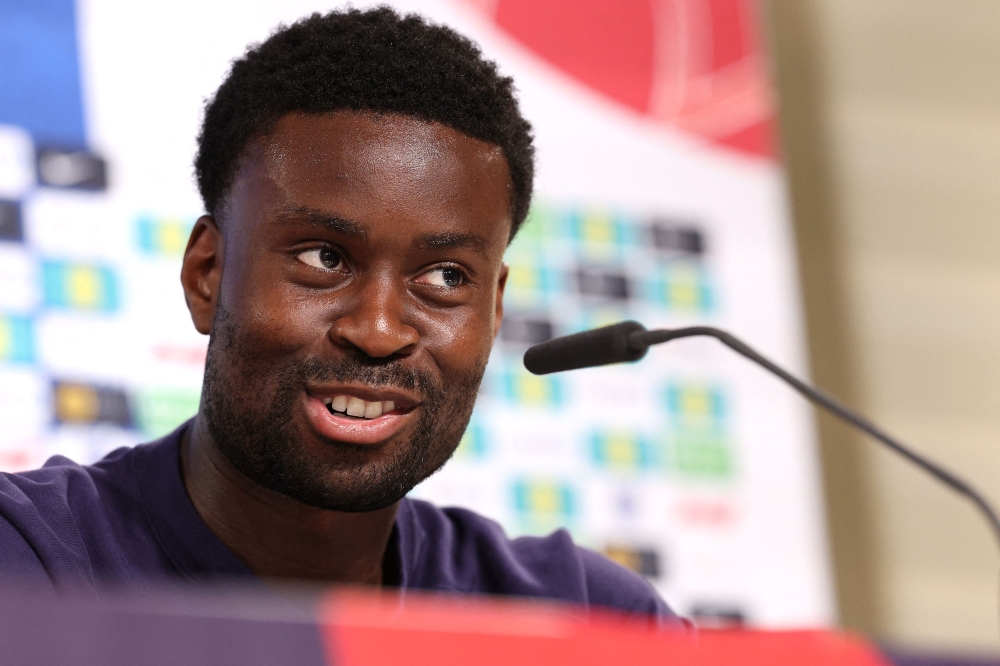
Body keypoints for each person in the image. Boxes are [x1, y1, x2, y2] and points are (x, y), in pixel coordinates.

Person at [0, 7, 680, 625]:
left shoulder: (588, 620)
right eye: (325, 258)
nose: (379, 330)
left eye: (445, 277)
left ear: (494, 308)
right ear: (207, 274)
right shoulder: (26, 569)